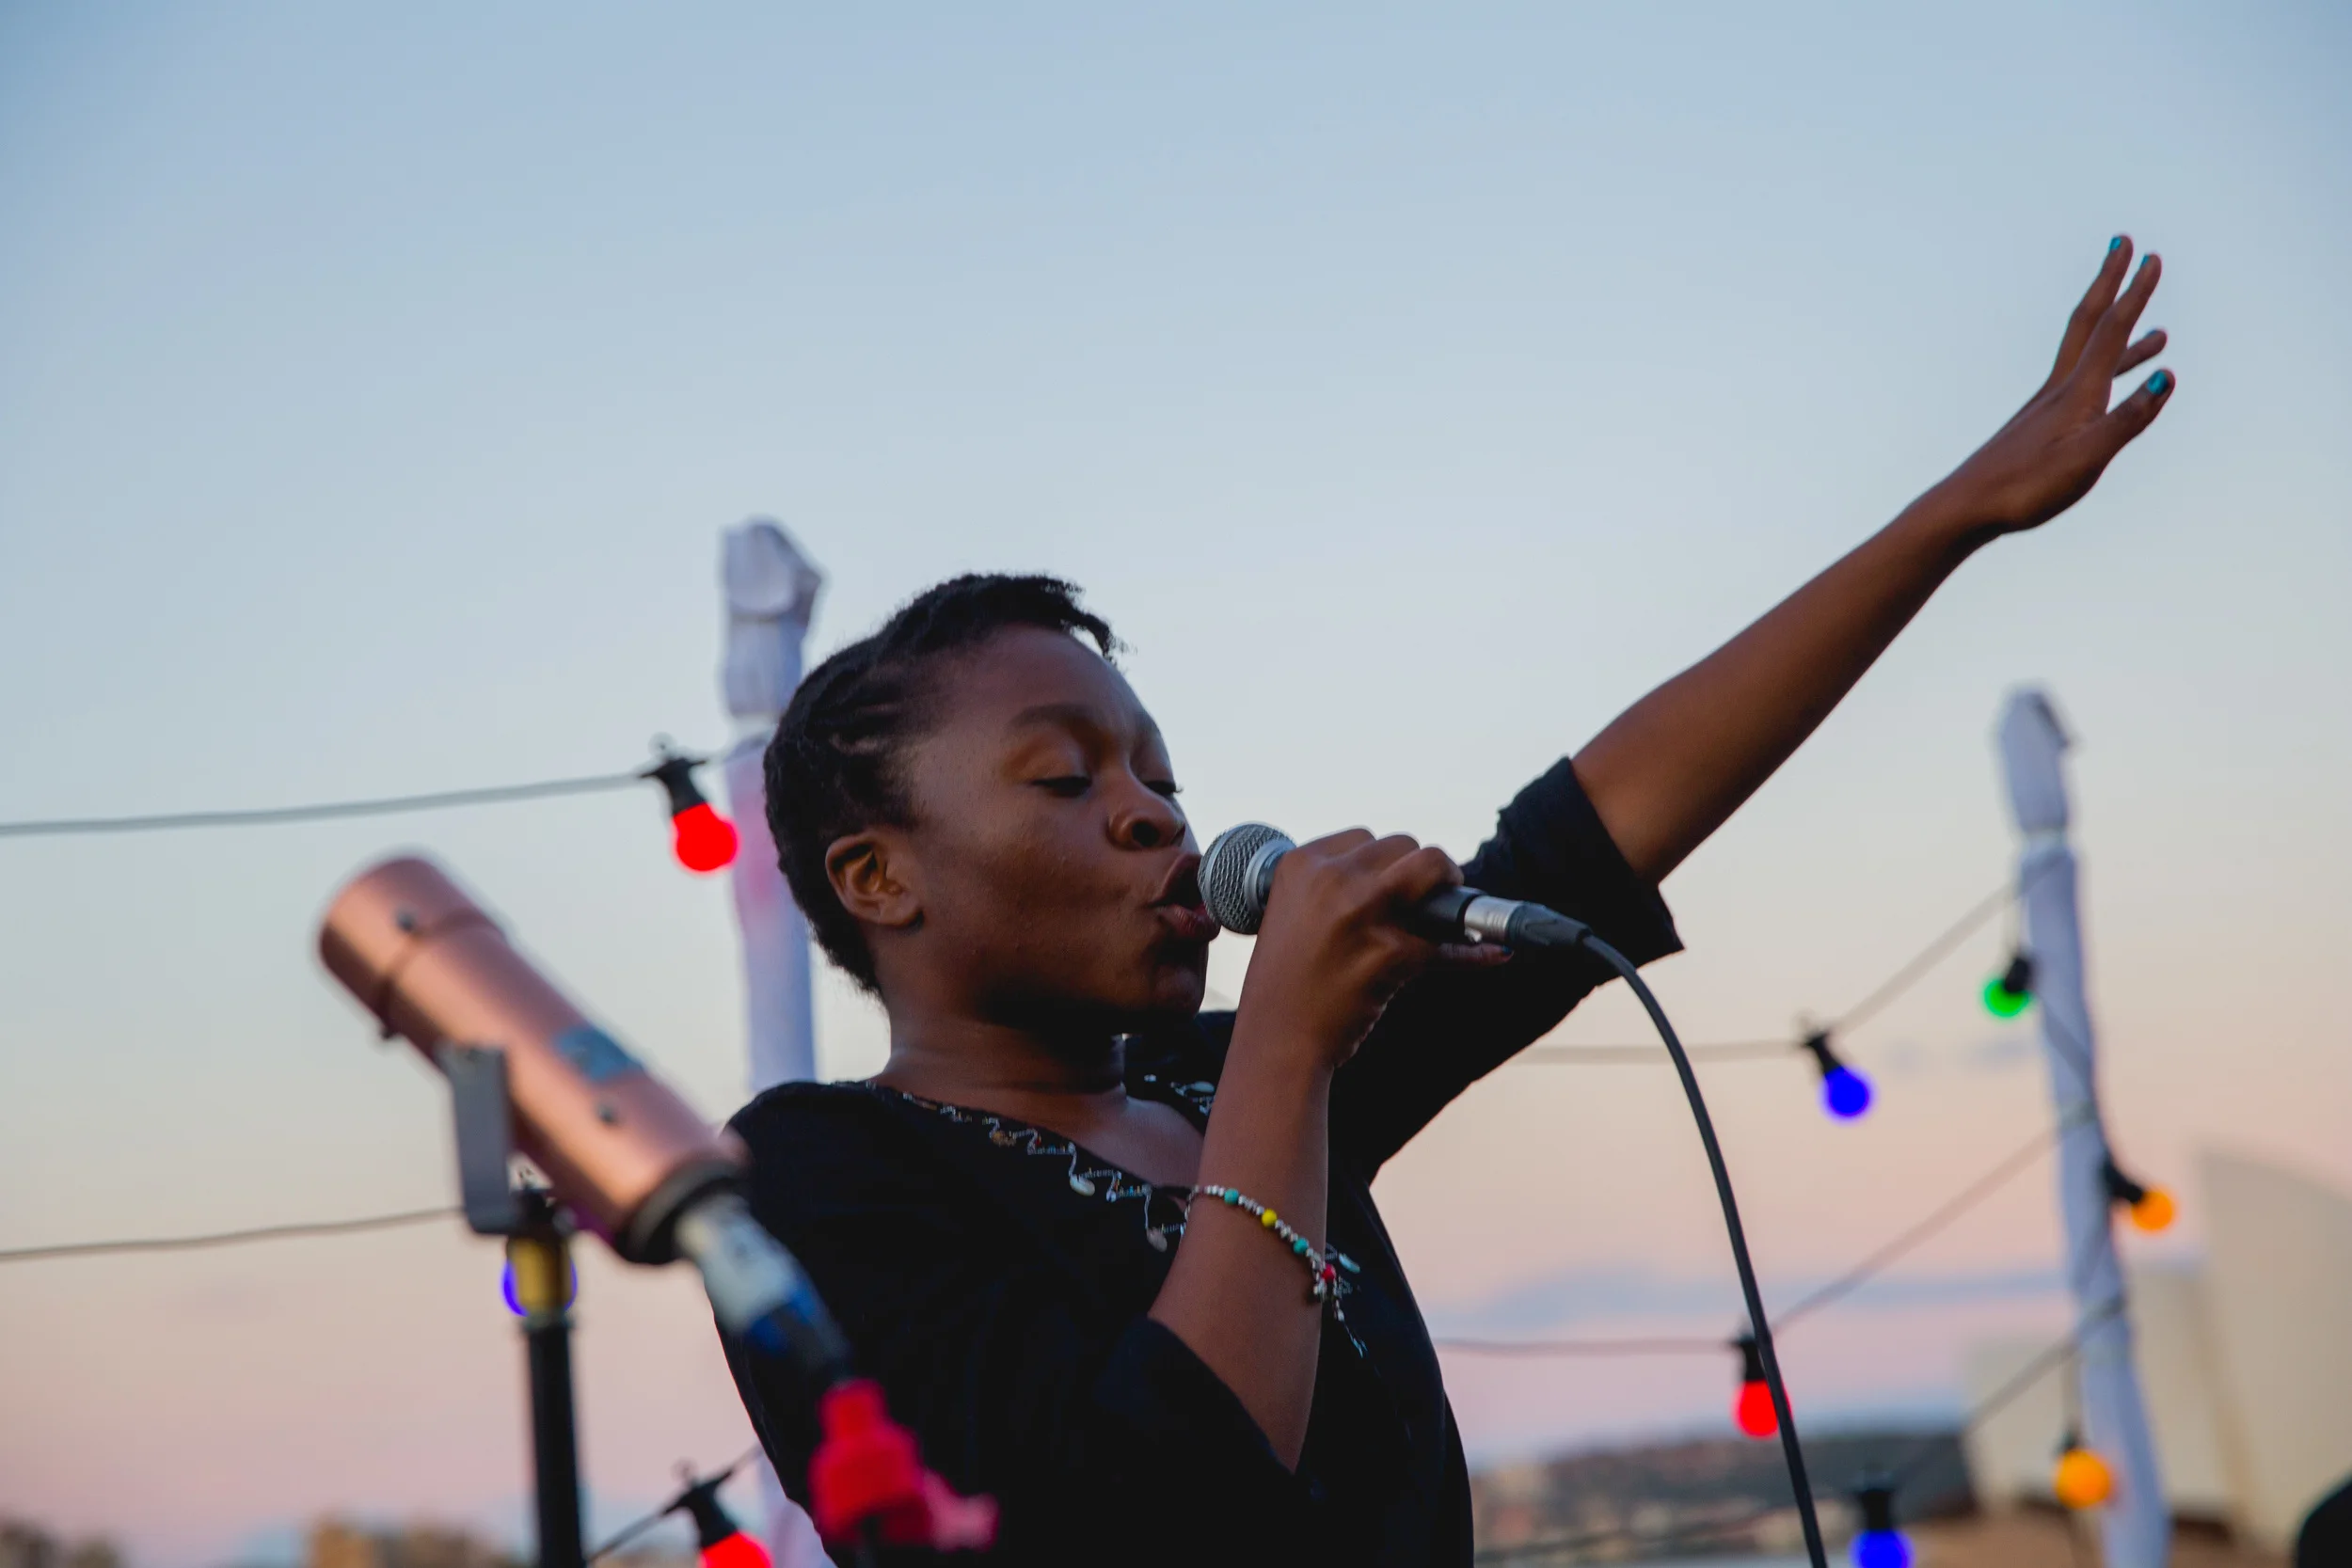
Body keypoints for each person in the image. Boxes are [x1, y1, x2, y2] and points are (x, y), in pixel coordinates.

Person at [723, 240, 2175, 1565]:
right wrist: (1288, 1049)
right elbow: (1161, 1511)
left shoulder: (1226, 1085)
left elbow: (1580, 843)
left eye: (1160, 772)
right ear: (879, 875)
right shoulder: (813, 1176)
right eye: (1062, 775)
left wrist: (1953, 515)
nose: (1153, 811)